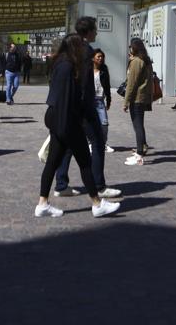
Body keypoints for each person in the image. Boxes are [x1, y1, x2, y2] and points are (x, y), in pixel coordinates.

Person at [34, 34, 121, 219]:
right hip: (66, 121)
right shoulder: (67, 67)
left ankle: (42, 203)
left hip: (58, 118)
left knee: (52, 163)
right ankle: (97, 204)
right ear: (75, 48)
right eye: (81, 46)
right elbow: (65, 99)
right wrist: (70, 126)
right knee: (85, 162)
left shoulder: (61, 63)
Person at [53, 17, 120, 198]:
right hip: (84, 108)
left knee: (67, 145)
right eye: (95, 30)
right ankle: (99, 185)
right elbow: (85, 83)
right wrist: (86, 108)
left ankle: (61, 184)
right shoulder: (86, 51)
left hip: (70, 107)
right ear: (88, 32)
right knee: (98, 142)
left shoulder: (69, 48)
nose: (96, 32)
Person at [122, 37, 154, 166]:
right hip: (143, 97)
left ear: (134, 48)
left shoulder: (136, 61)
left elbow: (131, 84)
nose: (129, 49)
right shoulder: (146, 61)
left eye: (131, 47)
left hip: (136, 98)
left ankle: (139, 153)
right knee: (139, 123)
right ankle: (142, 147)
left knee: (137, 125)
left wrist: (125, 102)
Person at [93, 48, 113, 152]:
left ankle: (103, 144)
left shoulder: (104, 70)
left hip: (100, 100)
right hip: (89, 100)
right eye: (98, 57)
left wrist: (109, 100)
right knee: (88, 124)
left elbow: (107, 86)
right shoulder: (87, 69)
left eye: (102, 57)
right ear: (93, 58)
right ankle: (90, 143)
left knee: (104, 124)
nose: (101, 58)